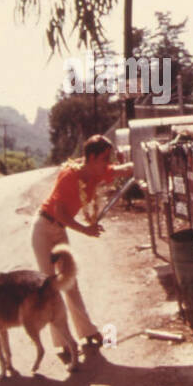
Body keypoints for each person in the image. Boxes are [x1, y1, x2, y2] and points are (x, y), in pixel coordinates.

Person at [32, 134, 133, 356]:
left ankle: (87, 332)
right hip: (44, 229)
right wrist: (86, 230)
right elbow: (59, 212)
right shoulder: (70, 176)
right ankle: (64, 342)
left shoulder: (96, 174)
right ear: (93, 157)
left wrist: (144, 160)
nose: (108, 162)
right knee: (51, 287)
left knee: (70, 282)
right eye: (105, 158)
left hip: (59, 230)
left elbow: (121, 170)